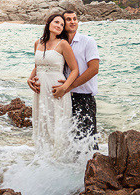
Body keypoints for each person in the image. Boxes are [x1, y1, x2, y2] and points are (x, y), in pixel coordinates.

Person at [27, 13, 79, 156]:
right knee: (42, 123)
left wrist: (64, 87)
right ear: (48, 23)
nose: (59, 26)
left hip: (57, 90)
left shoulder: (63, 44)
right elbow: (38, 66)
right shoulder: (37, 43)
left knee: (57, 126)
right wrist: (29, 79)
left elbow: (75, 70)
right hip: (40, 91)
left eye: (62, 25)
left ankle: (60, 161)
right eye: (56, 22)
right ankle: (43, 159)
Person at [56, 10, 100, 145]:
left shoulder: (87, 41)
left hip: (84, 97)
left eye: (75, 19)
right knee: (67, 140)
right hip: (64, 98)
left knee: (88, 141)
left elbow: (94, 69)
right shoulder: (59, 43)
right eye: (68, 19)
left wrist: (69, 86)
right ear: (63, 24)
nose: (73, 22)